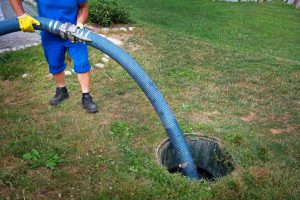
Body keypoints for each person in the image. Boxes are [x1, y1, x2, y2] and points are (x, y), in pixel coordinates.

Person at [9, 0, 98, 113]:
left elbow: (84, 7)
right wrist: (21, 16)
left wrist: (80, 24)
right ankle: (62, 90)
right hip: (50, 34)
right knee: (54, 63)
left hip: (74, 33)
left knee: (82, 63)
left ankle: (86, 96)